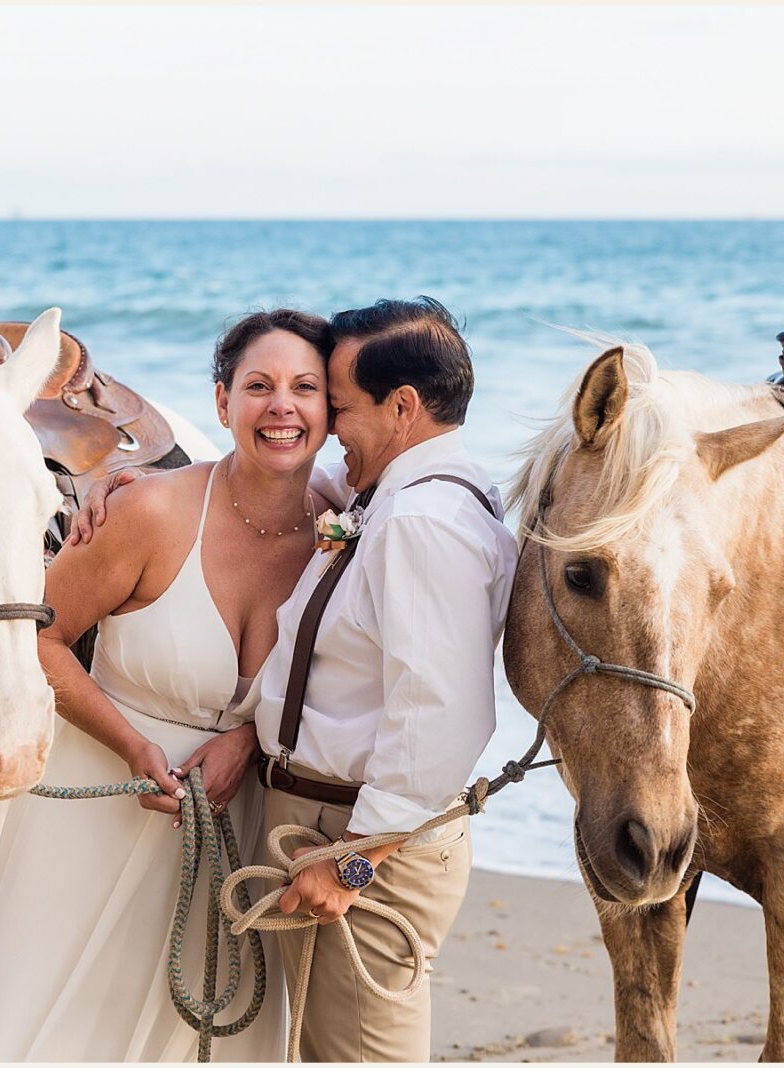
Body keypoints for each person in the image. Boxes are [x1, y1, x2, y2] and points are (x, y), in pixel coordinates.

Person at [77, 298, 516, 1062]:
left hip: (358, 844)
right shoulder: (395, 501)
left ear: (403, 407)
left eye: (337, 405)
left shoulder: (421, 522)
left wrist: (352, 865)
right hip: (334, 833)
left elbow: (439, 716)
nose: (330, 428)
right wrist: (119, 476)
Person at [0, 309, 339, 1062]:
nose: (282, 406)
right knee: (56, 1031)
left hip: (242, 825)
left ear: (332, 410)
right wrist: (133, 745)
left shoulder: (340, 527)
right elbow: (41, 639)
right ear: (223, 403)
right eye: (258, 386)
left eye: (306, 387)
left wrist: (245, 739)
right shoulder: (149, 512)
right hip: (102, 807)